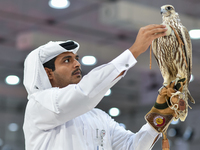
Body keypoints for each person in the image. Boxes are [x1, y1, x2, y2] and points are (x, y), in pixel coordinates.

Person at [23, 24, 167, 150]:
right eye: (67, 60)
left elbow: (132, 146)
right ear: (48, 73)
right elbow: (84, 93)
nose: (77, 64)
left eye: (76, 59)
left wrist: (162, 113)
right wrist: (134, 51)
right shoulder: (39, 105)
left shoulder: (98, 116)